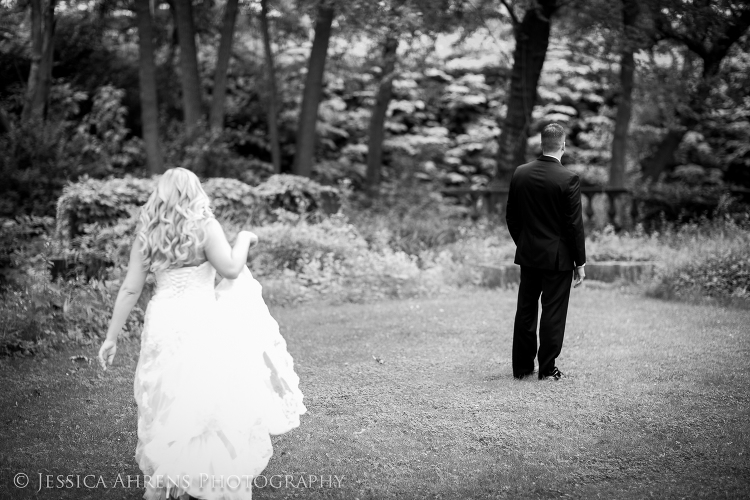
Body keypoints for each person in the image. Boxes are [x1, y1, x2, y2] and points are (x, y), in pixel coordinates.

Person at [98, 167, 306, 500]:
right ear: (196, 192)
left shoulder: (148, 233)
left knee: (168, 394)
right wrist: (244, 239)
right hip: (201, 317)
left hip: (163, 321)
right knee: (208, 394)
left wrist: (111, 337)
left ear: (161, 195)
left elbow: (130, 289)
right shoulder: (205, 227)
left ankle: (173, 471)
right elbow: (231, 269)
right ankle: (212, 474)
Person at [505, 123, 586, 381]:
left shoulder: (520, 173)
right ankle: (547, 368)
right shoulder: (568, 178)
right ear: (563, 145)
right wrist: (580, 262)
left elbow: (511, 217)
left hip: (529, 255)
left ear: (542, 144)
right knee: (553, 312)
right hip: (558, 259)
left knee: (526, 310)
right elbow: (574, 225)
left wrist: (525, 242)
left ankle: (522, 368)